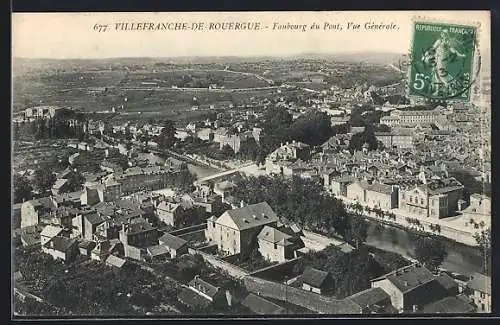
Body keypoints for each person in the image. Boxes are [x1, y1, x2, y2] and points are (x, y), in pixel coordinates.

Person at [421, 29, 467, 96]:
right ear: (441, 34)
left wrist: (461, 55)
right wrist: (425, 55)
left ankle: (452, 91)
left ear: (446, 35)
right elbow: (432, 49)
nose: (443, 35)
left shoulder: (448, 42)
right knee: (436, 76)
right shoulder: (439, 41)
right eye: (442, 33)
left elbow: (453, 51)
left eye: (445, 34)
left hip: (442, 62)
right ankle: (438, 91)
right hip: (437, 60)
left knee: (442, 76)